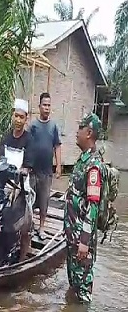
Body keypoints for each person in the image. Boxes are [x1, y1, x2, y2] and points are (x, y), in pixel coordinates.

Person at [64, 113, 105, 304]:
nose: (76, 132)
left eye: (80, 128)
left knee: (83, 294)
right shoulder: (82, 160)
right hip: (73, 237)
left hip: (82, 242)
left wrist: (85, 241)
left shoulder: (94, 165)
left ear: (89, 133)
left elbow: (93, 205)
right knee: (73, 285)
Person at [0, 98, 34, 262]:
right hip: (5, 185)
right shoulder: (6, 139)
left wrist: (20, 176)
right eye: (16, 116)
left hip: (21, 187)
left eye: (22, 117)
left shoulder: (29, 140)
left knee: (24, 225)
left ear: (26, 119)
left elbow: (28, 166)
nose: (18, 120)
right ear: (12, 116)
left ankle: (22, 258)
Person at [29, 92, 62, 239]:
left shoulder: (53, 126)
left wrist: (59, 166)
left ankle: (42, 228)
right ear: (39, 106)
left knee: (44, 200)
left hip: (46, 171)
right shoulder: (33, 125)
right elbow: (27, 144)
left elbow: (57, 146)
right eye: (44, 105)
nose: (47, 108)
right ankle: (29, 225)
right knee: (29, 200)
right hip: (32, 171)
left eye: (49, 105)